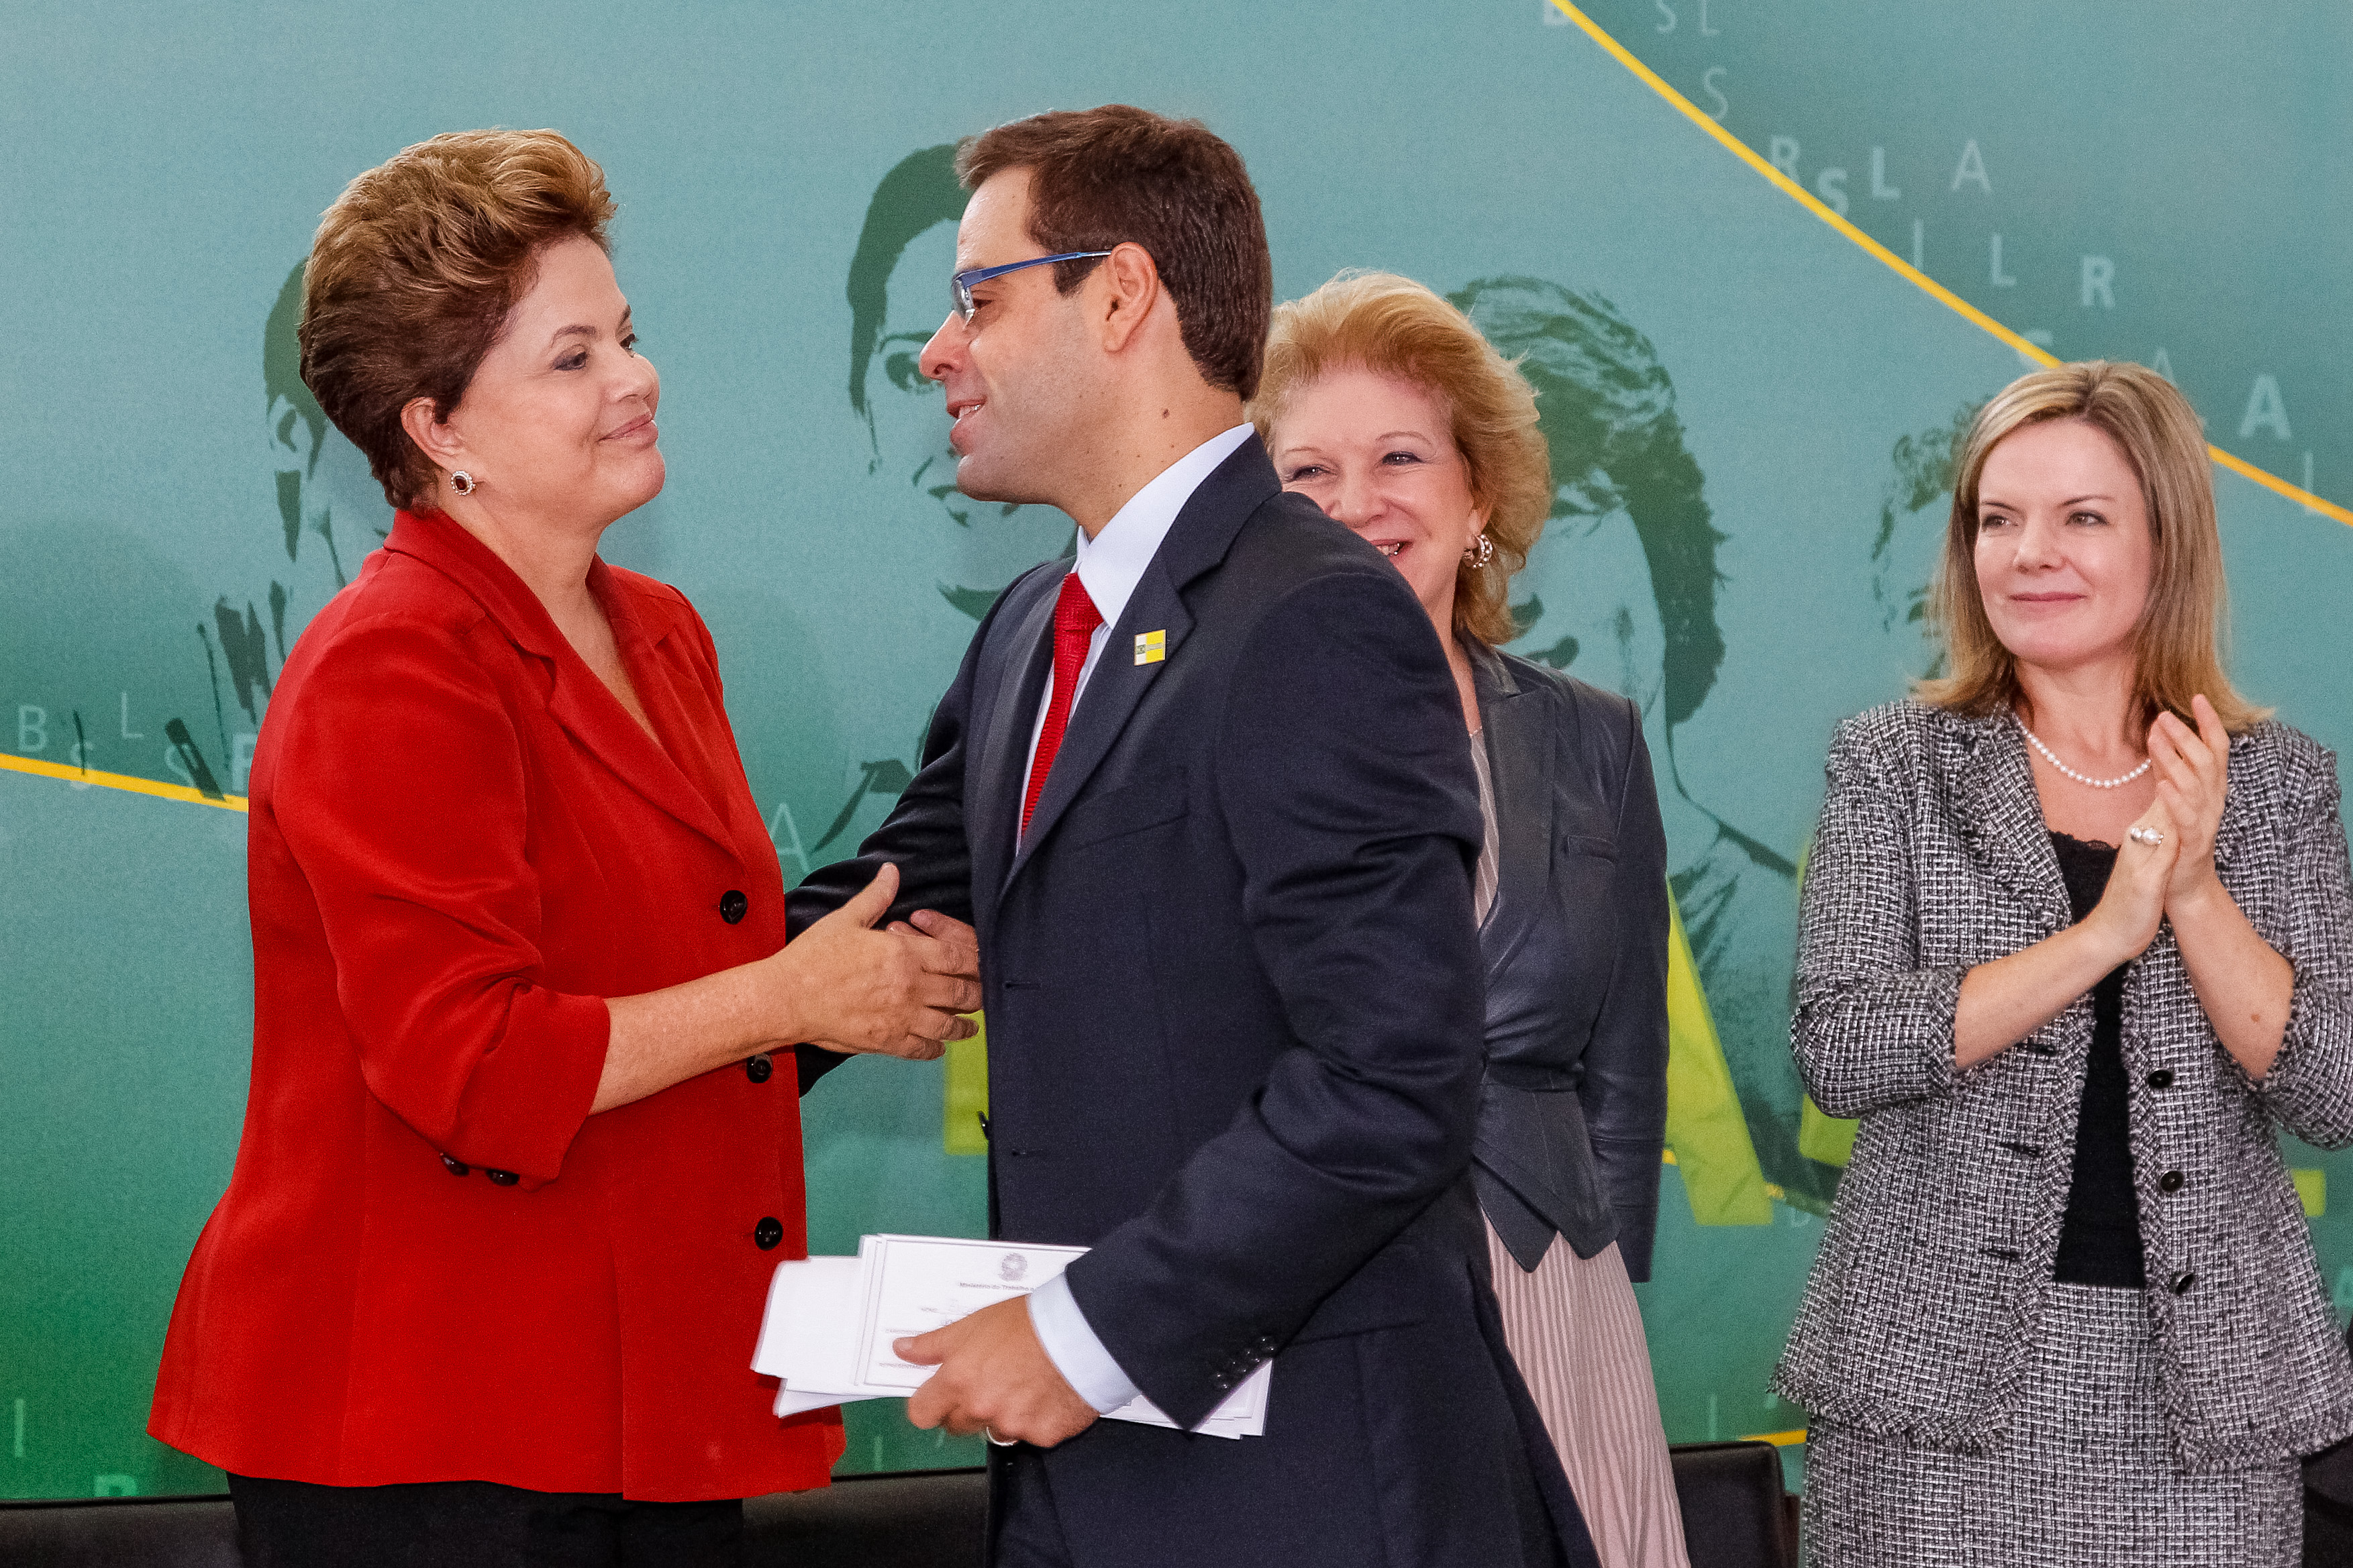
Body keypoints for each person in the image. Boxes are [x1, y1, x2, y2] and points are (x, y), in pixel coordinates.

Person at [148, 128, 982, 1567]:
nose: (636, 377)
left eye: (629, 335)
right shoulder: (392, 661)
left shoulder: (661, 636)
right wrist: (790, 997)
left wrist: (855, 984)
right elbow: (471, 1065)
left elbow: (673, 982)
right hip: (430, 1442)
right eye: (573, 356)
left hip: (630, 1408)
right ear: (438, 429)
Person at [787, 106, 1597, 1568]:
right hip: (1085, 1489)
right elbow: (871, 917)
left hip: (1306, 1495)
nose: (937, 352)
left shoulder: (1316, 614)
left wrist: (1086, 1330)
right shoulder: (1036, 627)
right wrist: (596, 1039)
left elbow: (1389, 1080)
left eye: (978, 299)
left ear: (1120, 296)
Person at [1773, 360, 2353, 1567]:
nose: (2028, 551)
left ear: (2166, 543)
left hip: (2206, 1419)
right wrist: (2098, 935)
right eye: (1998, 518)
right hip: (1928, 1407)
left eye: (2080, 517)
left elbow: (2330, 1086)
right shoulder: (1894, 764)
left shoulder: (2278, 784)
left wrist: (2190, 890)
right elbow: (1839, 1046)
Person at [1252, 270, 1689, 1568]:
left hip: (1556, 1285)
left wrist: (1584, 1259)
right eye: (1306, 475)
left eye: (1399, 457)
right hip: (1318, 1287)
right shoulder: (1219, 733)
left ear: (1477, 492)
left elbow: (1626, 1057)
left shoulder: (1592, 736)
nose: (1355, 504)